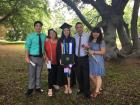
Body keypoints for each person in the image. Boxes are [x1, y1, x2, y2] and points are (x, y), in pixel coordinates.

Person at [25, 21, 46, 96]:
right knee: (32, 74)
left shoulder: (44, 36)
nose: (38, 27)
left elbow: (45, 46)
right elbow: (27, 47)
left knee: (38, 74)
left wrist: (45, 55)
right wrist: (26, 56)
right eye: (37, 26)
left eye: (40, 26)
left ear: (41, 27)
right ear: (34, 27)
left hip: (41, 58)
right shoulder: (30, 36)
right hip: (32, 58)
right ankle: (30, 88)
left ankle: (38, 87)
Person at [56, 23, 75, 94]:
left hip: (70, 58)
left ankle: (69, 87)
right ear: (63, 32)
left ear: (69, 31)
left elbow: (74, 50)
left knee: (69, 73)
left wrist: (73, 59)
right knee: (65, 73)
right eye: (64, 30)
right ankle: (66, 87)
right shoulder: (60, 40)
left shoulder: (72, 39)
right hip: (63, 58)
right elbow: (58, 50)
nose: (66, 32)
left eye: (68, 30)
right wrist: (60, 59)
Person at [74, 22, 90, 98]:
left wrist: (88, 46)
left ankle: (87, 92)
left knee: (85, 75)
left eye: (80, 27)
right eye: (77, 27)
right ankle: (81, 89)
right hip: (76, 59)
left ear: (82, 27)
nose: (79, 28)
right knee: (78, 75)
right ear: (76, 28)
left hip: (85, 58)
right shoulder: (74, 37)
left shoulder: (87, 35)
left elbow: (91, 45)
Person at [88, 27, 105, 98]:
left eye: (97, 32)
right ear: (92, 33)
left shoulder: (101, 41)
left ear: (99, 33)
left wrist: (94, 52)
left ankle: (97, 90)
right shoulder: (91, 40)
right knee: (91, 75)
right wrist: (88, 50)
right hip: (91, 60)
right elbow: (90, 49)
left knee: (98, 75)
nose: (95, 33)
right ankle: (99, 86)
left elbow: (103, 52)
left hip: (98, 60)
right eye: (94, 32)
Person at [45, 29, 59, 97]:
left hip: (57, 61)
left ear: (55, 33)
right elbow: (43, 50)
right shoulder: (46, 41)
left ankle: (54, 84)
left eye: (53, 33)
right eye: (50, 33)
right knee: (50, 73)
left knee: (56, 73)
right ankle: (50, 89)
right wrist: (46, 57)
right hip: (49, 61)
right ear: (49, 35)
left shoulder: (58, 41)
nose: (52, 34)